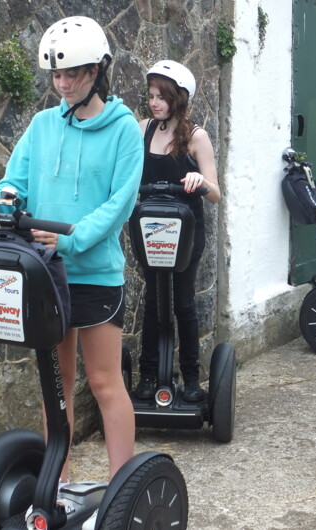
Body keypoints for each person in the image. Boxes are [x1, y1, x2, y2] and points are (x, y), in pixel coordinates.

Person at [0, 16, 140, 529]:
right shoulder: (41, 126)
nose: (63, 84)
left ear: (98, 71)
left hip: (95, 273)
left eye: (74, 74)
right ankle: (52, 491)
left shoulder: (124, 129)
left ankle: (124, 493)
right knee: (55, 384)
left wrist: (73, 235)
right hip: (45, 272)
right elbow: (14, 185)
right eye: (57, 76)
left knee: (104, 383)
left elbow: (119, 204)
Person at [132, 60, 221, 403]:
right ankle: (148, 375)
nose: (154, 102)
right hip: (149, 229)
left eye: (162, 96)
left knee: (183, 302)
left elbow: (216, 193)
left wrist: (200, 181)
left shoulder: (196, 137)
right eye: (151, 95)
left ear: (179, 98)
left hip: (185, 233)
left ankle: (191, 379)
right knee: (153, 301)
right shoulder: (143, 129)